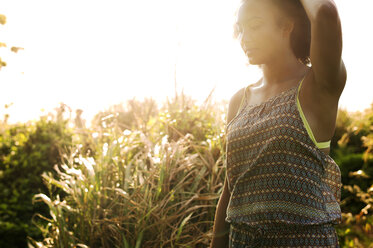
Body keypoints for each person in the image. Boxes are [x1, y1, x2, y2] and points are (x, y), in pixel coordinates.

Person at [210, 0, 347, 247]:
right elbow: (231, 187)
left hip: (303, 241)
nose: (244, 37)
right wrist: (217, 242)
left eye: (255, 26)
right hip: (241, 241)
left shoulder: (317, 86)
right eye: (240, 29)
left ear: (286, 26)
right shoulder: (239, 100)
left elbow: (325, 12)